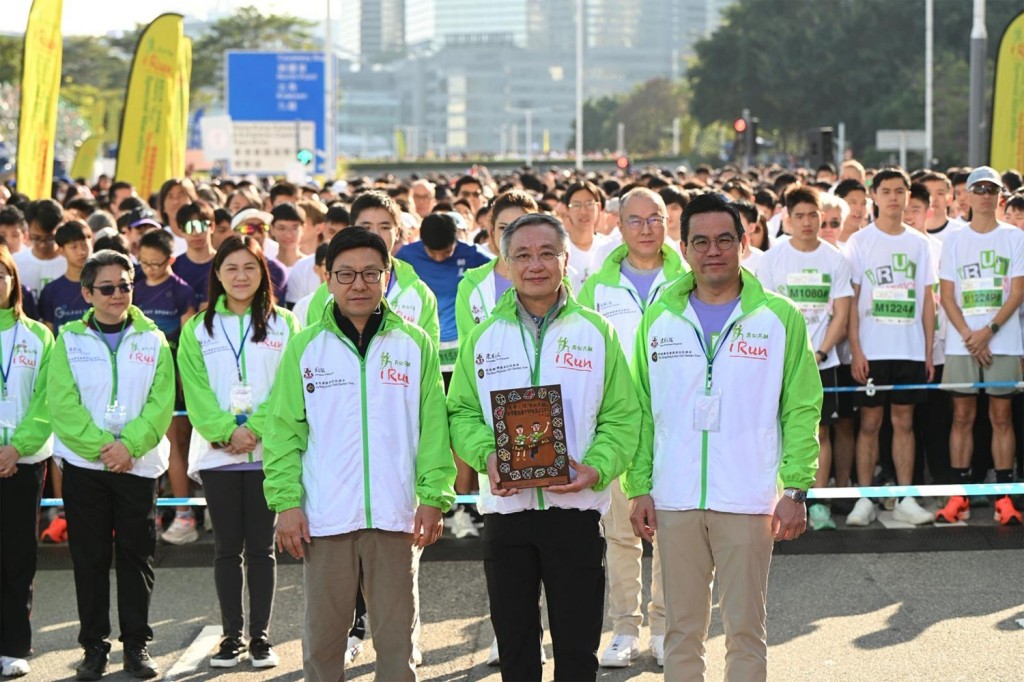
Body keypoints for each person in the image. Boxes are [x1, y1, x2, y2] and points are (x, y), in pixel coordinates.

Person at [625, 192, 820, 680]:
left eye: (724, 240)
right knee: (681, 632)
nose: (714, 251)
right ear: (685, 247)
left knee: (745, 631)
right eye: (701, 241)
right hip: (675, 498)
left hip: (749, 498)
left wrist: (795, 488)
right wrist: (640, 486)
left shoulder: (780, 318)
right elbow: (642, 411)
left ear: (744, 242)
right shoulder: (659, 317)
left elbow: (802, 408)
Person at [447, 213, 640, 680]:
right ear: (506, 263)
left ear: (565, 260)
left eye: (547, 253)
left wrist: (596, 467)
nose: (536, 265)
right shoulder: (482, 337)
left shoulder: (597, 332)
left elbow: (624, 417)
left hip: (575, 512)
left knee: (577, 652)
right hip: (506, 514)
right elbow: (462, 414)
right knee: (516, 651)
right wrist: (487, 456)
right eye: (523, 255)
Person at [264, 227, 456, 681]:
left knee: (395, 644)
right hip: (326, 516)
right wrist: (286, 503)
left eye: (371, 273)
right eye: (346, 274)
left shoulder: (414, 344)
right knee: (324, 644)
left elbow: (433, 430)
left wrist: (434, 496)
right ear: (327, 279)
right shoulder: (305, 346)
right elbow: (283, 434)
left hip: (395, 514)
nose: (359, 284)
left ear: (387, 277)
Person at [48, 249, 174, 680]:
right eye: (107, 287)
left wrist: (130, 447)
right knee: (90, 558)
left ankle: (136, 645)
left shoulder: (153, 339)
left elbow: (161, 405)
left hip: (137, 467)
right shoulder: (68, 340)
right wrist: (106, 448)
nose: (118, 294)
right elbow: (63, 407)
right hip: (86, 469)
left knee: (138, 558)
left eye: (125, 285)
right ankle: (94, 647)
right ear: (87, 293)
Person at [576, 188, 685, 668]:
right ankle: (624, 628)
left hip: (675, 424)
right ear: (618, 225)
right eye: (635, 220)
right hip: (618, 425)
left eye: (655, 219)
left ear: (667, 222)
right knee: (619, 533)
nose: (645, 228)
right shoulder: (596, 286)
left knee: (670, 533)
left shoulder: (688, 277)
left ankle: (664, 628)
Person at [179, 235, 299, 668]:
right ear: (217, 275)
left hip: (271, 454)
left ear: (262, 272)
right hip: (219, 457)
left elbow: (291, 384)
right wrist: (227, 431)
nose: (240, 276)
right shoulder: (198, 327)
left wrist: (258, 430)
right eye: (231, 268)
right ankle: (232, 636)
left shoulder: (285, 323)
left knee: (264, 549)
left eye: (249, 267)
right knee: (227, 549)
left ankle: (261, 637)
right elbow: (194, 392)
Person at [756, 186, 853, 531]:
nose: (808, 222)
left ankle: (819, 501)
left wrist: (822, 352)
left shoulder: (836, 259)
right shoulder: (771, 260)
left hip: (823, 363)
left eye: (814, 215)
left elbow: (841, 315)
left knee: (820, 433)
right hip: (777, 366)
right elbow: (763, 314)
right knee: (777, 433)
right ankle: (775, 501)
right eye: (800, 216)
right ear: (787, 218)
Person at [845, 168, 937, 526]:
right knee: (869, 422)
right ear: (874, 195)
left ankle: (905, 496)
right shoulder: (860, 241)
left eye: (900, 191)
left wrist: (927, 351)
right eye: (887, 191)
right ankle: (865, 498)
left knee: (904, 422)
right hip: (872, 349)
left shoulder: (919, 243)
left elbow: (928, 301)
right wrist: (856, 348)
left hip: (910, 350)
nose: (894, 198)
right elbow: (850, 300)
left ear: (908, 194)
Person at [936, 167, 1024, 525]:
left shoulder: (1015, 238)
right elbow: (947, 295)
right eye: (979, 189)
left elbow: (1017, 292)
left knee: (1002, 417)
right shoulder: (954, 240)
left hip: (1000, 340)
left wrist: (988, 331)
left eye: (992, 189)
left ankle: (1005, 498)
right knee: (962, 417)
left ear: (1000, 196)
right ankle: (960, 496)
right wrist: (971, 338)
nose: (985, 195)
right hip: (962, 343)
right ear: (967, 196)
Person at [0, 245, 54, 679]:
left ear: (14, 281)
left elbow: (46, 399)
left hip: (26, 460)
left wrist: (16, 448)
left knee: (18, 556)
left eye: (2, 274)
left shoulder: (37, 335)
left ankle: (13, 644)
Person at [132, 229, 199, 545]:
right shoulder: (135, 289)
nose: (150, 270)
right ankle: (152, 512)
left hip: (171, 377)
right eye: (144, 263)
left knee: (174, 444)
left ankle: (184, 514)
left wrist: (185, 383)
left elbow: (188, 342)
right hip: (140, 374)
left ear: (171, 259)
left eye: (157, 264)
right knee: (145, 442)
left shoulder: (181, 291)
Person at [396, 210, 489, 372]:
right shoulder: (406, 256)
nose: (439, 258)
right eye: (432, 253)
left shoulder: (474, 257)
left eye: (446, 252)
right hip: (422, 339)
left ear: (456, 240)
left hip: (461, 341)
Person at [38, 221, 94, 337]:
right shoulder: (51, 291)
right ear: (61, 251)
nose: (82, 252)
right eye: (74, 247)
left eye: (84, 244)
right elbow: (49, 334)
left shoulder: (104, 286)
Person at [230, 208, 288, 303]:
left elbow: (265, 308)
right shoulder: (220, 265)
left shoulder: (275, 269)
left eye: (262, 228)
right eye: (249, 228)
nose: (257, 235)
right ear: (233, 233)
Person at [171, 202, 217, 311]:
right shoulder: (174, 266)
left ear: (212, 227)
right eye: (189, 227)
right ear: (181, 230)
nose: (196, 233)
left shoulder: (225, 263)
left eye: (201, 226)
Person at [16, 199, 66, 294]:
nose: (42, 245)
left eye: (49, 238)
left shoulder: (71, 263)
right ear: (28, 228)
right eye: (36, 238)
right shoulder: (16, 262)